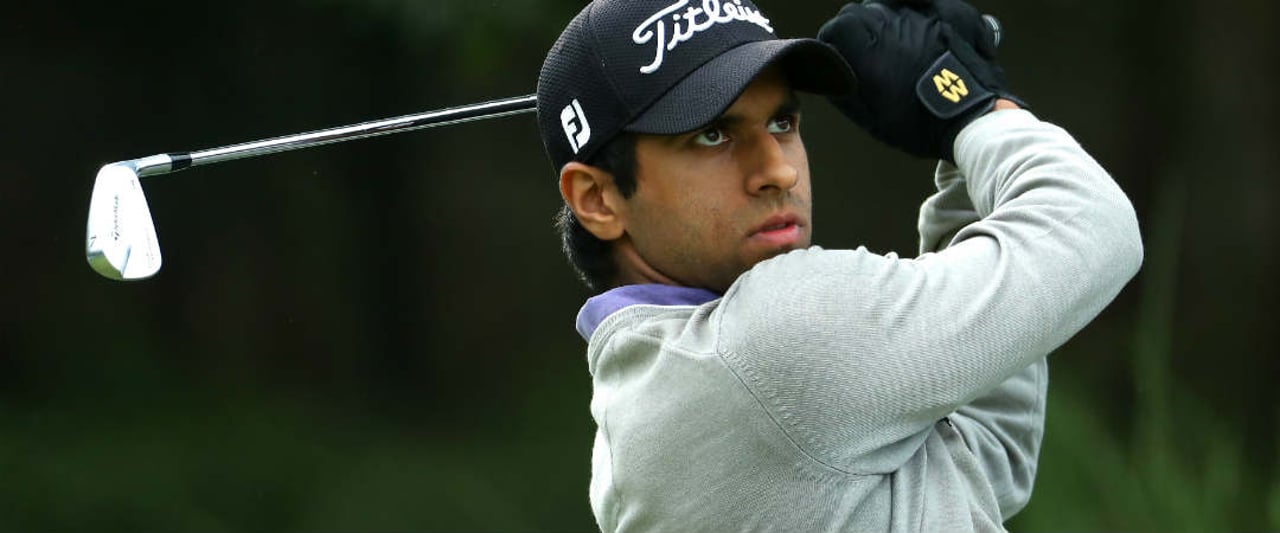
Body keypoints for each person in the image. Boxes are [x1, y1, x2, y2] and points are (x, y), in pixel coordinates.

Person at [534, 0, 1143, 531]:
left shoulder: (658, 393)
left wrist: (965, 156)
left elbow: (983, 457)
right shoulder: (770, 342)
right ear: (598, 198)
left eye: (783, 121)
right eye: (714, 135)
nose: (778, 169)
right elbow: (1093, 226)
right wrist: (967, 104)